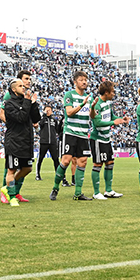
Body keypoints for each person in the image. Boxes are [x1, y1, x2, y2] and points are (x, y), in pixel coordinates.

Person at [50, 71, 94, 201]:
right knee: (66, 161)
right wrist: (82, 104)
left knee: (83, 162)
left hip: (84, 134)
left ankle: (78, 193)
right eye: (81, 80)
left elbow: (92, 116)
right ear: (75, 82)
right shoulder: (69, 95)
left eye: (86, 80)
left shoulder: (89, 97)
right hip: (70, 132)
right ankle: (55, 188)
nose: (84, 82)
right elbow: (69, 112)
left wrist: (93, 107)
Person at [1, 78, 41, 206]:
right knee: (11, 170)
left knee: (27, 168)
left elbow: (36, 118)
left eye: (24, 86)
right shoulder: (9, 104)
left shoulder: (26, 102)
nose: (24, 87)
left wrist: (33, 105)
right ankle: (12, 196)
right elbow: (21, 117)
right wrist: (28, 102)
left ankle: (7, 188)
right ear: (13, 89)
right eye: (20, 86)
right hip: (14, 141)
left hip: (26, 141)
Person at [89, 80, 130, 199]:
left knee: (110, 163)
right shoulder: (97, 104)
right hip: (98, 139)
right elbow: (97, 123)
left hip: (106, 139)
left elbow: (112, 116)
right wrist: (113, 122)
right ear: (106, 92)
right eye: (112, 92)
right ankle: (96, 193)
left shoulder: (108, 103)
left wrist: (121, 119)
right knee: (97, 164)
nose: (114, 94)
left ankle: (108, 190)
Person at [35, 106, 62, 181]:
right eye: (46, 110)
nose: (48, 111)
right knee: (40, 158)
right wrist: (44, 116)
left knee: (56, 159)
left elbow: (57, 130)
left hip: (53, 142)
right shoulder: (42, 119)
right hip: (44, 142)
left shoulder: (54, 120)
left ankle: (58, 174)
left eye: (49, 110)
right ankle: (37, 174)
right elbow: (41, 124)